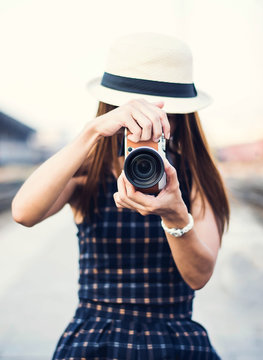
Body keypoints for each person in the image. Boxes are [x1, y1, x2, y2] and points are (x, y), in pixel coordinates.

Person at [12, 32, 230, 360]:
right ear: (113, 109)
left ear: (179, 117)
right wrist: (92, 132)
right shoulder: (86, 171)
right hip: (95, 342)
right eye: (134, 112)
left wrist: (174, 214)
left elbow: (198, 277)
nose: (147, 125)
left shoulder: (193, 178)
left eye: (159, 113)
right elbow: (23, 213)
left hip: (172, 341)